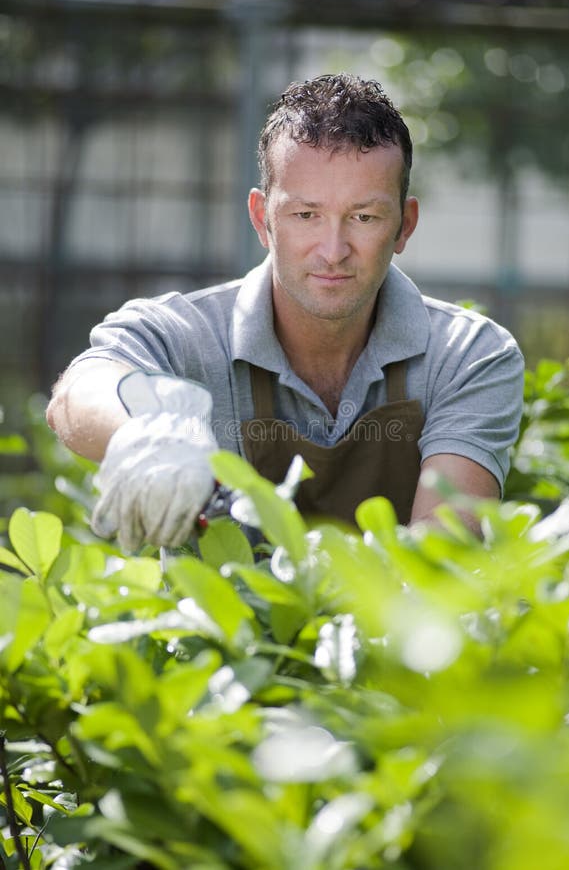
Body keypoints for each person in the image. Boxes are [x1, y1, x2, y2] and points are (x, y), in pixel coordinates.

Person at [46, 73, 524, 551]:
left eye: (364, 217)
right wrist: (144, 434)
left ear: (404, 225)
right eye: (305, 215)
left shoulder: (469, 354)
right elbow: (78, 393)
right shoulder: (188, 335)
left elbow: (446, 550)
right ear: (262, 219)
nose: (333, 250)